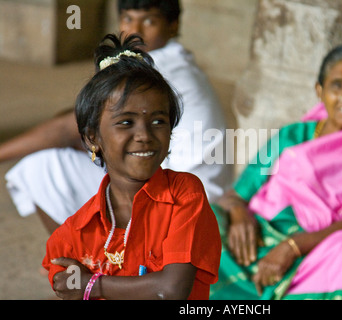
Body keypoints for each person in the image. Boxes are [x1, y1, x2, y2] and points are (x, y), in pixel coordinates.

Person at [209, 44, 342, 300]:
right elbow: (236, 194)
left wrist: (294, 246)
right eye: (337, 85)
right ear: (320, 91)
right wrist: (240, 215)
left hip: (319, 255)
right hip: (257, 243)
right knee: (199, 218)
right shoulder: (291, 136)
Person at [2, 0, 231, 234]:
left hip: (182, 201)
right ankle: (80, 253)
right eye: (128, 19)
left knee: (42, 166)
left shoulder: (153, 69)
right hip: (199, 190)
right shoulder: (175, 61)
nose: (136, 31)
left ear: (173, 26)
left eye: (149, 21)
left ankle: (77, 258)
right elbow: (82, 118)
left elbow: (67, 127)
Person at [42, 34, 221, 300]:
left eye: (158, 121)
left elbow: (171, 290)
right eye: (126, 122)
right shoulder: (71, 237)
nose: (144, 135)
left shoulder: (184, 194)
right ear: (93, 138)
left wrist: (92, 285)